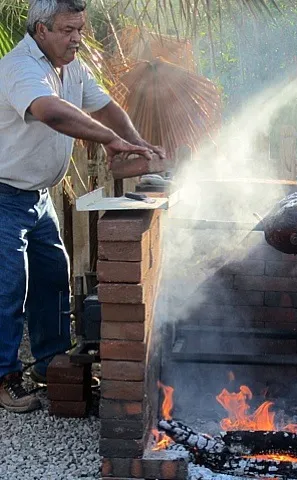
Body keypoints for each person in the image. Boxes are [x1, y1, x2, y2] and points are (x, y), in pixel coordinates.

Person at [0, 0, 166, 413]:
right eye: (68, 30)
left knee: (53, 281)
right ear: (40, 30)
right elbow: (50, 112)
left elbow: (106, 107)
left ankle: (50, 367)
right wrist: (111, 142)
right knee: (6, 290)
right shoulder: (21, 67)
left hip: (36, 198)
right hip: (3, 197)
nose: (77, 38)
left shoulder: (72, 66)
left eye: (80, 29)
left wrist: (134, 142)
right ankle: (4, 380)